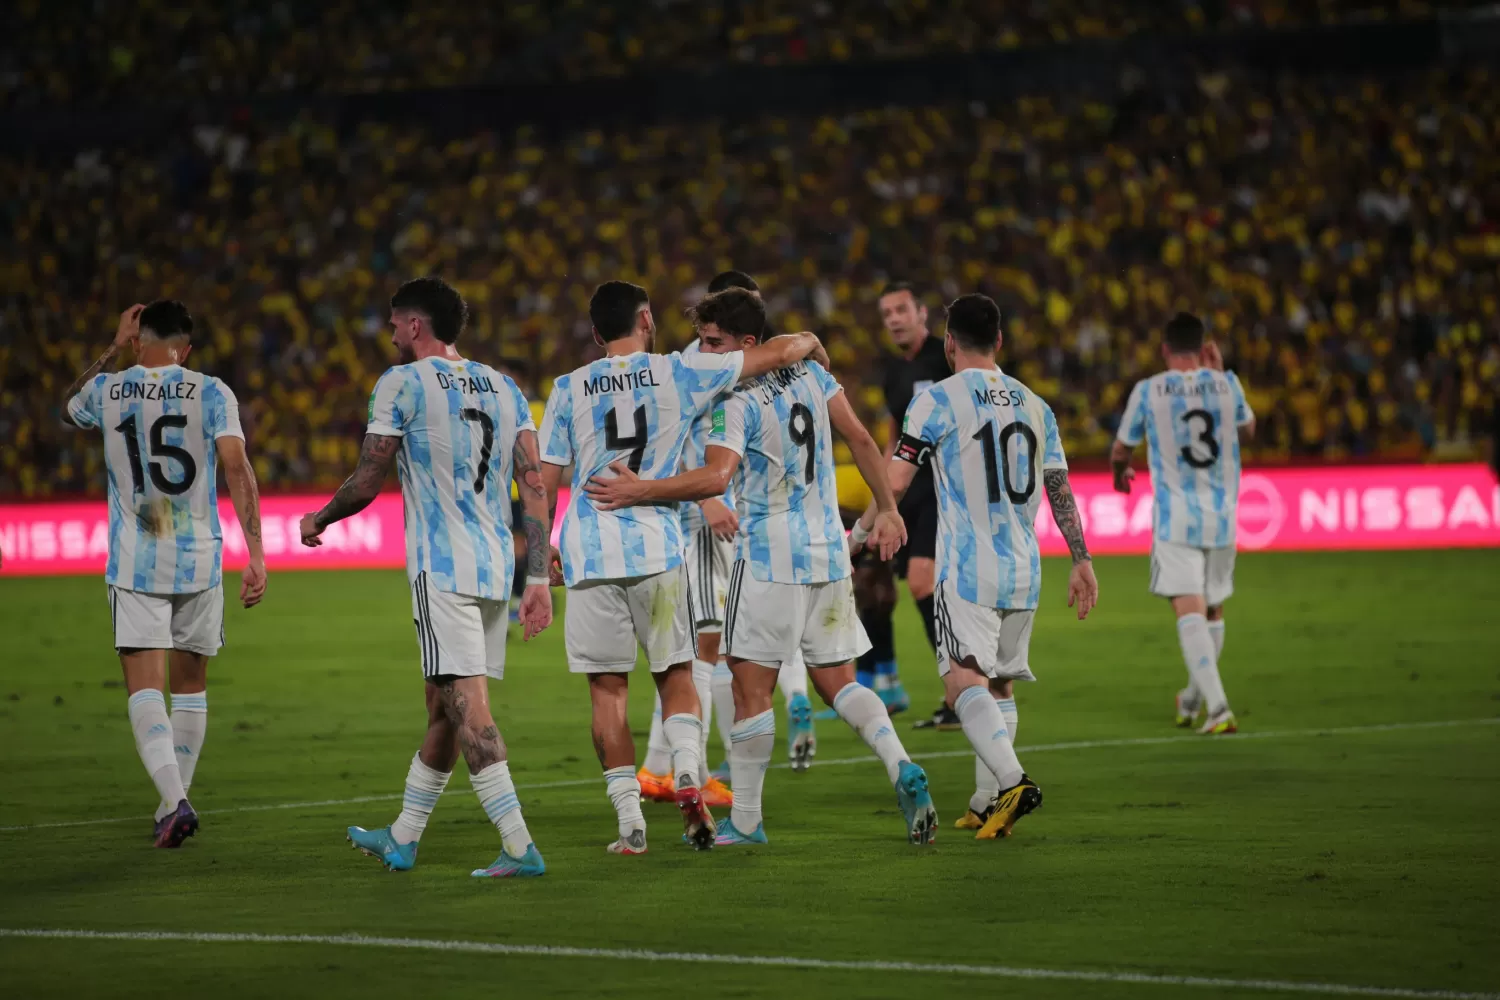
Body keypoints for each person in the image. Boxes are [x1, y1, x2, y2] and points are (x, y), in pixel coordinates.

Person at [585, 287, 938, 847]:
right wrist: (888, 511)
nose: (705, 351)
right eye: (701, 340)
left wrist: (642, 490)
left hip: (769, 556)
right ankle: (900, 765)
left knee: (750, 690)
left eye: (715, 341)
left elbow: (716, 478)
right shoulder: (813, 378)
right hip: (827, 553)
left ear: (748, 344)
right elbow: (866, 439)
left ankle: (746, 821)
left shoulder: (735, 402)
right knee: (839, 683)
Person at [538, 280, 829, 855]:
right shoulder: (683, 371)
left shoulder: (568, 389)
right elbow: (780, 351)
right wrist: (811, 340)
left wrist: (541, 552)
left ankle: (630, 827)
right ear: (647, 319)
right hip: (659, 551)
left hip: (591, 552)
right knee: (677, 677)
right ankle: (690, 777)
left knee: (608, 693)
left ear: (596, 334)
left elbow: (542, 484)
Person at [299, 277, 553, 878]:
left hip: (441, 569)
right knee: (443, 707)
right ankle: (403, 837)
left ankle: (519, 846)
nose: (389, 333)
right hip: (494, 568)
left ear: (416, 326)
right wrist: (536, 573)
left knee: (469, 711)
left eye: (394, 322)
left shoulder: (401, 382)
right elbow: (535, 485)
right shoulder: (504, 386)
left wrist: (320, 516)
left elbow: (368, 478)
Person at [852, 294, 1099, 840]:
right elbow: (1058, 488)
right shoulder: (1038, 405)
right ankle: (989, 802)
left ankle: (1012, 781)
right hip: (1024, 570)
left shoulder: (937, 399)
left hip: (966, 568)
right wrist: (1081, 559)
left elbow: (894, 482)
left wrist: (860, 532)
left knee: (961, 685)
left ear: (948, 344)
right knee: (1000, 686)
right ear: (1000, 343)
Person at [62, 301, 267, 848]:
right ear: (188, 347)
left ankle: (173, 801)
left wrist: (110, 347)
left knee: (144, 687)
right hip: (201, 557)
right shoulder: (212, 391)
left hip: (136, 560)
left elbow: (67, 408)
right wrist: (257, 553)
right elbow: (236, 468)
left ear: (137, 341)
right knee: (191, 686)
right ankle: (171, 804)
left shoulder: (110, 389)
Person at [637, 270, 817, 805]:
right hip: (698, 518)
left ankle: (669, 766)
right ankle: (668, 770)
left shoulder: (726, 358)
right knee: (706, 645)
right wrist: (707, 497)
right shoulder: (701, 363)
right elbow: (682, 437)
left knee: (705, 645)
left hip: (719, 513)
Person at [1110, 312, 1254, 736]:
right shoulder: (1227, 383)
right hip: (1223, 516)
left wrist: (1121, 472)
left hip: (1176, 518)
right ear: (1203, 346)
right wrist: (1221, 373)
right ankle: (1193, 698)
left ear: (1165, 349)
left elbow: (1122, 447)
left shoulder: (1150, 389)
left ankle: (1218, 707)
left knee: (1187, 608)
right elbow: (1247, 431)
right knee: (1212, 607)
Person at [831, 282, 950, 726]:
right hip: (907, 491)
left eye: (902, 309)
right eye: (887, 314)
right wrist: (883, 498)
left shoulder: (946, 358)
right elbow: (895, 435)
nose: (894, 319)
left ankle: (959, 690)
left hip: (943, 487)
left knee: (922, 581)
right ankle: (892, 681)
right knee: (881, 587)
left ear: (922, 312)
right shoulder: (893, 372)